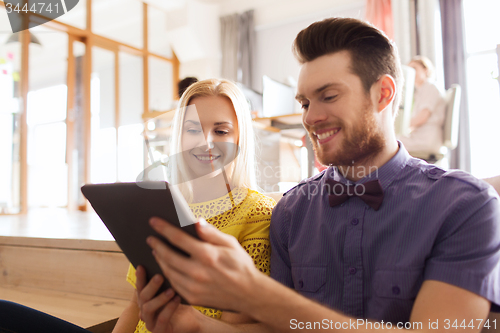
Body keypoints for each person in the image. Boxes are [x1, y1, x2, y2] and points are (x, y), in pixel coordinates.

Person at [136, 17, 500, 332]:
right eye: (305, 103)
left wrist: (255, 293)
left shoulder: (465, 205)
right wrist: (197, 326)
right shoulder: (291, 212)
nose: (310, 118)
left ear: (383, 94)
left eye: (328, 96)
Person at [0, 79, 276, 332]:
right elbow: (135, 306)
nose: (205, 142)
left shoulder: (256, 213)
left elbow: (238, 324)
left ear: (239, 138)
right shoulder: (161, 206)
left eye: (221, 130)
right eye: (193, 129)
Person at [399, 56, 446, 154]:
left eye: (414, 68)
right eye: (409, 70)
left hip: (427, 139)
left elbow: (422, 117)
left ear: (426, 70)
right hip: (421, 137)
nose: (412, 72)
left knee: (388, 143)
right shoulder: (420, 92)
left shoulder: (430, 87)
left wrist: (399, 127)